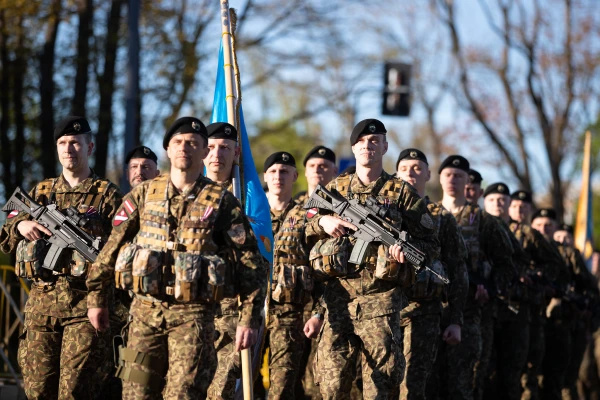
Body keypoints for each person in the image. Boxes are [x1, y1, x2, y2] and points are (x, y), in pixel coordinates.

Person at [86, 117, 268, 399]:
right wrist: (97, 298)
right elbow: (112, 247)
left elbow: (251, 264)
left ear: (205, 152)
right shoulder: (143, 195)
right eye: (179, 142)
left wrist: (249, 319)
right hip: (143, 317)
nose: (185, 148)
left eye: (194, 143)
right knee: (135, 391)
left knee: (183, 393)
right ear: (168, 150)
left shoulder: (221, 201)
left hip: (193, 319)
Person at [304, 119, 439, 399]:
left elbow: (431, 243)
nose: (369, 146)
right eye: (363, 141)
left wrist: (406, 249)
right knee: (331, 386)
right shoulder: (337, 187)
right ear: (353, 148)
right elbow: (305, 229)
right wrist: (324, 223)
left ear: (385, 147)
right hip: (338, 300)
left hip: (381, 302)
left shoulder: (402, 192)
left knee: (381, 386)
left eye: (375, 141)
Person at [0, 116, 123, 400]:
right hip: (41, 308)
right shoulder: (41, 192)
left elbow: (123, 248)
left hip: (84, 308)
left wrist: (103, 301)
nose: (69, 149)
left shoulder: (107, 195)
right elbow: (6, 234)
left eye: (76, 143)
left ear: (89, 147)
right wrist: (20, 225)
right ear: (57, 148)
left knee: (75, 392)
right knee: (37, 389)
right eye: (63, 143)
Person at [429, 155, 515, 400]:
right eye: (448, 174)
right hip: (430, 311)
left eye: (459, 176)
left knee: (462, 387)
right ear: (440, 178)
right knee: (428, 387)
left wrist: (491, 287)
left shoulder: (484, 221)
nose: (453, 180)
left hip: (469, 312)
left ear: (468, 181)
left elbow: (507, 265)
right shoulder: (427, 215)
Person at [396, 148, 468, 400]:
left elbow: (458, 271)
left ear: (428, 175)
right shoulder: (385, 214)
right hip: (384, 311)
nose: (410, 174)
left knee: (412, 386)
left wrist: (456, 320)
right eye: (404, 169)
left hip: (423, 312)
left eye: (417, 169)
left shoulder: (441, 218)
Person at [261, 151, 315, 399]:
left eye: (284, 171)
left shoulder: (307, 216)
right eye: (272, 171)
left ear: (295, 176)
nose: (278, 176)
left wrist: (317, 313)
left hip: (289, 316)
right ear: (264, 176)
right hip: (250, 313)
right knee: (233, 382)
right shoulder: (251, 215)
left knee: (282, 388)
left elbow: (320, 270)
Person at [203, 122, 245, 400]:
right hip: (190, 308)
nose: (217, 154)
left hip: (232, 311)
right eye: (211, 147)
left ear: (237, 153)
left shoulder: (250, 199)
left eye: (225, 148)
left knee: (220, 392)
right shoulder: (183, 193)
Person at [508, 192, 564, 400]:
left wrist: (537, 277)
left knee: (528, 370)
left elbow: (556, 268)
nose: (520, 210)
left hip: (530, 311)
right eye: (516, 206)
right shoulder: (499, 228)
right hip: (501, 308)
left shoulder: (532, 236)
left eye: (524, 207)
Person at [296, 145, 337, 400]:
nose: (318, 170)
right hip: (293, 300)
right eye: (312, 165)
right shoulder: (294, 207)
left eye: (323, 166)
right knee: (290, 377)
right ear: (305, 171)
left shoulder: (342, 210)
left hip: (328, 300)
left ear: (334, 171)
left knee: (320, 380)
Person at [481, 183, 530, 400]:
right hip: (485, 307)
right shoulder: (477, 224)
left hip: (512, 311)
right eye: (493, 200)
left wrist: (505, 279)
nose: (498, 204)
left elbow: (521, 261)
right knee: (485, 372)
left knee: (510, 374)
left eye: (502, 200)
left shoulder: (523, 233)